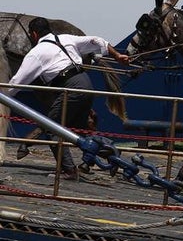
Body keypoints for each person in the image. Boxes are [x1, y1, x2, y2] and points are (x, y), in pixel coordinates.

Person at [6, 17, 131, 180]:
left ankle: (69, 171)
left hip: (70, 89)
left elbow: (17, 83)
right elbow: (97, 40)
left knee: (52, 128)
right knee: (79, 130)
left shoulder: (36, 53)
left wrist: (3, 96)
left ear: (34, 34)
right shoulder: (66, 39)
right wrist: (117, 55)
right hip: (86, 84)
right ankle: (109, 149)